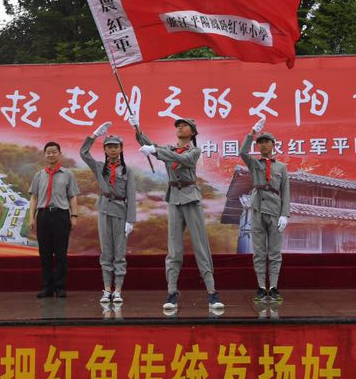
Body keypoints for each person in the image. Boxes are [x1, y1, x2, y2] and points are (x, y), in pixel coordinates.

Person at [131, 115, 223, 312]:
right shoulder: (169, 149)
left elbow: (182, 159)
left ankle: (211, 291)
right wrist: (137, 128)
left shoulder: (194, 151)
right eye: (178, 126)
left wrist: (156, 151)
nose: (180, 128)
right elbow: (147, 144)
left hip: (191, 198)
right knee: (174, 248)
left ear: (192, 132)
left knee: (200, 246)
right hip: (174, 198)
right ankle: (172, 291)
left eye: (184, 126)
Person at [80, 121, 136, 304]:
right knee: (106, 252)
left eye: (116, 146)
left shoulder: (127, 170)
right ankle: (107, 289)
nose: (112, 149)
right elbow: (84, 153)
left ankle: (118, 289)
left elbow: (131, 195)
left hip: (121, 212)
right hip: (104, 209)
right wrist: (94, 135)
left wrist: (131, 220)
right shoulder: (99, 167)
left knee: (119, 252)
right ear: (104, 149)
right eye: (109, 147)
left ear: (121, 149)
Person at [239, 119, 289, 302]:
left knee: (275, 252)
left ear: (273, 145)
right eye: (260, 142)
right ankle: (261, 287)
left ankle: (273, 287)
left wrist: (285, 214)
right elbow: (242, 152)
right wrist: (252, 133)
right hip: (258, 210)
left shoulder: (281, 167)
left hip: (275, 211)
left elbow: (285, 191)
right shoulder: (255, 164)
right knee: (259, 252)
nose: (263, 144)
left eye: (266, 141)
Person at [29, 142, 79, 298]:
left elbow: (72, 197)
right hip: (43, 215)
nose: (51, 155)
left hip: (61, 215)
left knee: (61, 253)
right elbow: (34, 197)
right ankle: (47, 287)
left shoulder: (68, 174)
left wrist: (74, 216)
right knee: (45, 253)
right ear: (45, 155)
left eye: (54, 152)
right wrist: (32, 217)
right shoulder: (38, 175)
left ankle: (60, 287)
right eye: (48, 152)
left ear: (59, 154)